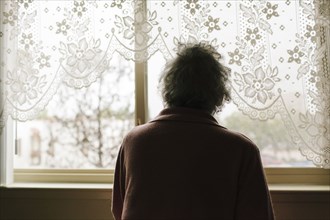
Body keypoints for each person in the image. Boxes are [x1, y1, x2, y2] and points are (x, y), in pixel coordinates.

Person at [112, 43, 275, 220]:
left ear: (168, 88)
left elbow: (119, 210)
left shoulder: (133, 141)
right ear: (219, 93)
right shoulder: (242, 149)